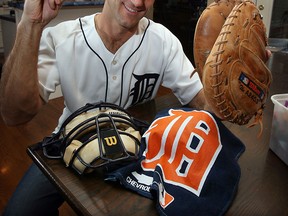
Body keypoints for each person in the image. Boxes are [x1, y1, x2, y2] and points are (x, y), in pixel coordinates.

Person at [0, 0, 207, 215]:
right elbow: (13, 114)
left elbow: (199, 98)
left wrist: (233, 90)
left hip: (135, 146)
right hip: (71, 140)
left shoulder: (163, 40)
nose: (138, 2)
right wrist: (30, 24)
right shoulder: (62, 36)